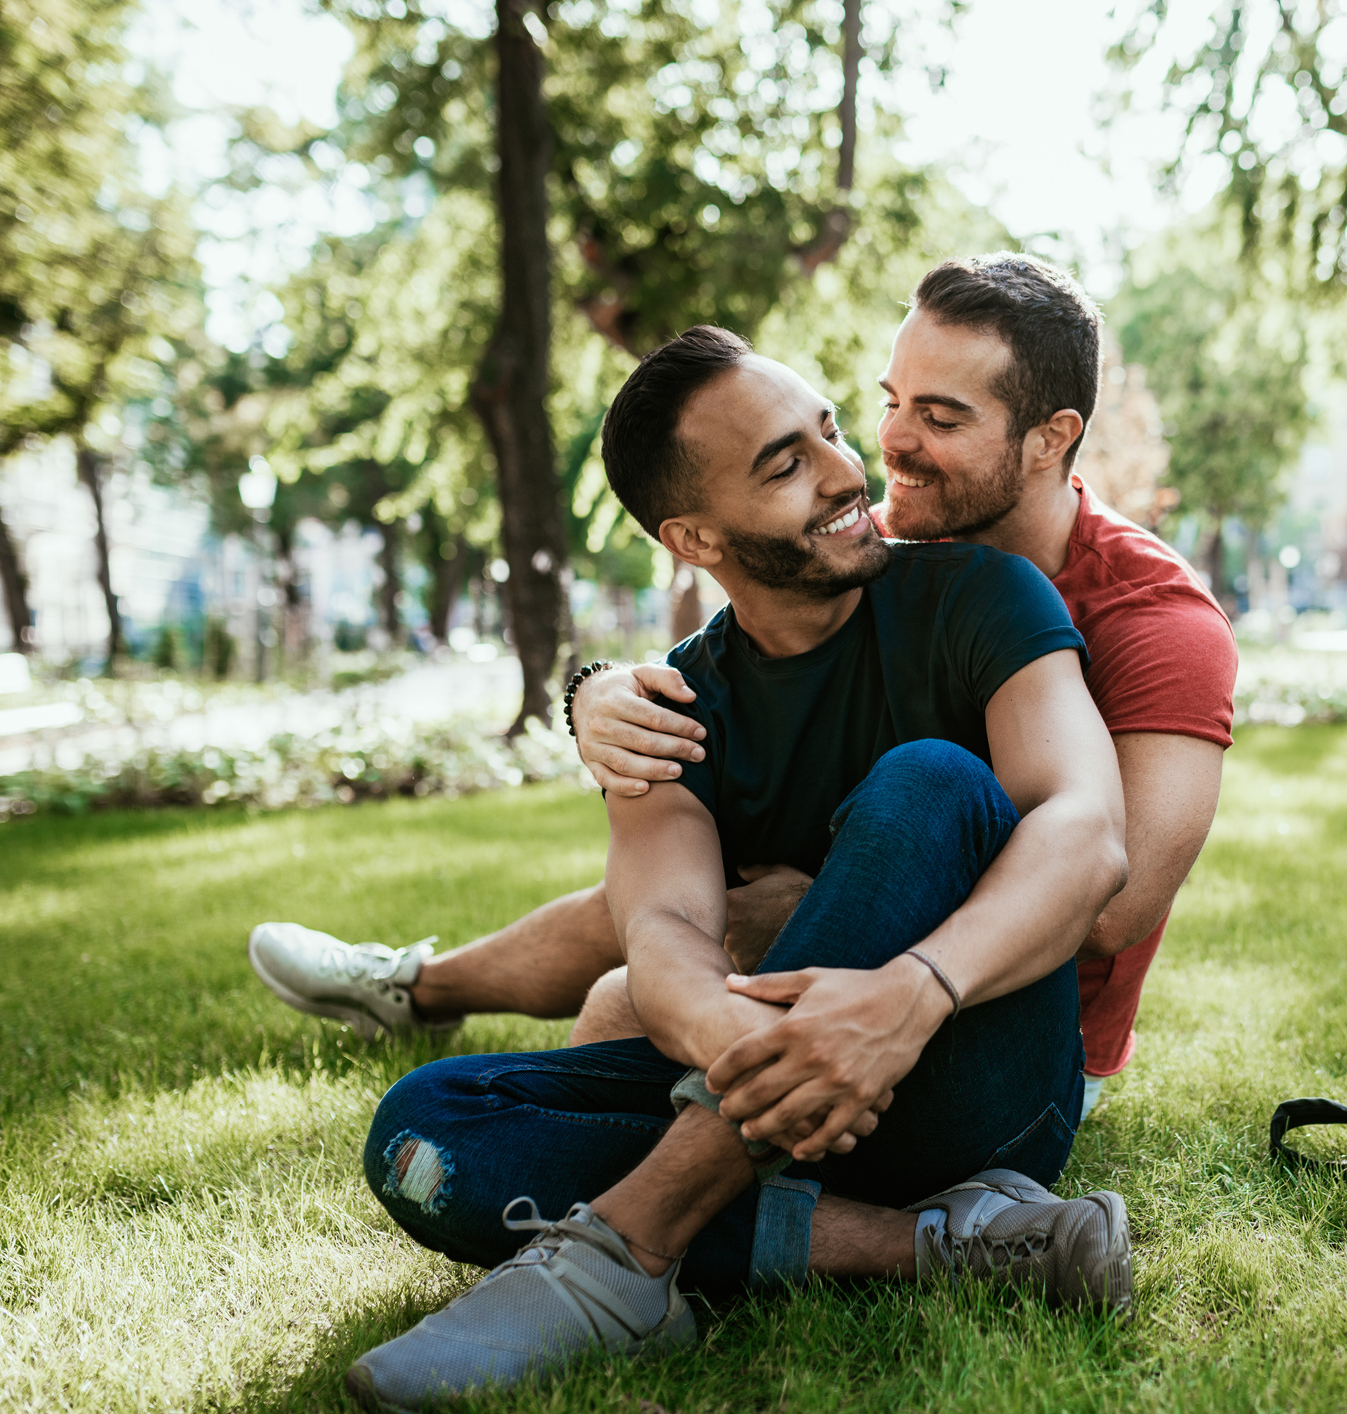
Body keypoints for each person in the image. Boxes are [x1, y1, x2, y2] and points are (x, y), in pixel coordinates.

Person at [340, 325, 1135, 1410]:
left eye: (828, 431)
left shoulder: (978, 596)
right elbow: (660, 931)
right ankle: (944, 1244)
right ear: (692, 532)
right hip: (778, 1089)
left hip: (978, 1082)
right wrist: (737, 1041)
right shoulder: (670, 709)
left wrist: (912, 994)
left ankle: (627, 1252)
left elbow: (1087, 831)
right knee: (426, 1132)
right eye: (785, 464)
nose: (849, 472)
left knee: (933, 783)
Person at [251, 254, 1238, 1120]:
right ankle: (417, 988)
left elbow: (1109, 906)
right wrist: (593, 692)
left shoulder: (1158, 626)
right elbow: (750, 629)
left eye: (940, 417)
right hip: (865, 924)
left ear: (1050, 436)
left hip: (1022, 1013)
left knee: (634, 990)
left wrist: (836, 903)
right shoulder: (891, 550)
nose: (884, 447)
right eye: (888, 401)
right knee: (665, 907)